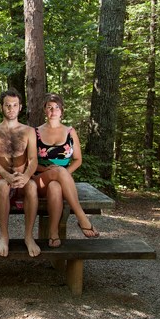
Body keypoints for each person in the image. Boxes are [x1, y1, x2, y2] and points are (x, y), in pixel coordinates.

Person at [33, 93, 100, 248]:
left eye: (56, 107)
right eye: (49, 107)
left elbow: (78, 160)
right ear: (44, 110)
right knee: (55, 177)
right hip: (39, 179)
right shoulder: (35, 132)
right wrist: (49, 170)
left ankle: (53, 233)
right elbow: (29, 162)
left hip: (61, 181)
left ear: (62, 110)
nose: (53, 110)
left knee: (55, 186)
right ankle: (82, 217)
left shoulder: (70, 132)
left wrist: (63, 175)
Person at [0, 89, 40, 257]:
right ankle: (4, 237)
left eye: (15, 105)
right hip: (0, 177)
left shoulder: (29, 131)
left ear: (20, 107)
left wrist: (26, 176)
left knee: (31, 187)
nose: (11, 108)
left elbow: (33, 159)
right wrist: (7, 176)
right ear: (2, 107)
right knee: (3, 186)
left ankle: (28, 237)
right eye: (7, 105)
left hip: (23, 176)